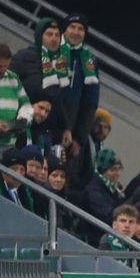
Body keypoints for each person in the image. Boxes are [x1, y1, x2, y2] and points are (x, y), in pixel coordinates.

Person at [9, 18, 70, 153]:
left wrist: (66, 127)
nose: (54, 39)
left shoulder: (60, 65)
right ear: (39, 36)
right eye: (49, 34)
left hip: (42, 130)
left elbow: (58, 100)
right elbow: (8, 84)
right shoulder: (24, 57)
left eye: (57, 35)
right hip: (17, 124)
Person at [56, 13, 99, 169]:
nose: (76, 32)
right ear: (64, 30)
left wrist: (79, 139)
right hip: (46, 118)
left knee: (62, 172)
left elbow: (90, 103)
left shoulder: (89, 61)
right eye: (72, 27)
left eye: (80, 29)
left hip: (70, 130)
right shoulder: (52, 51)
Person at [80, 147, 126, 236]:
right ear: (102, 170)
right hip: (94, 238)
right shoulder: (93, 191)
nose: (118, 173)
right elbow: (109, 216)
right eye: (113, 170)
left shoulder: (114, 189)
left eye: (119, 169)